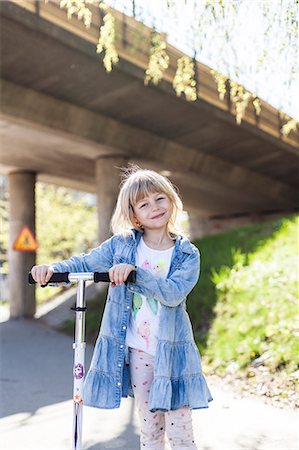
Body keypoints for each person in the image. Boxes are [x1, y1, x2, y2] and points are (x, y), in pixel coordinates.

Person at [31, 166, 213, 450]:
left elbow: (174, 293)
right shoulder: (123, 246)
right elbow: (84, 264)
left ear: (171, 200)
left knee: (180, 433)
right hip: (139, 352)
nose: (154, 207)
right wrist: (52, 269)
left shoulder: (186, 253)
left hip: (175, 355)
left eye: (159, 199)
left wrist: (135, 274)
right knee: (150, 430)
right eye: (144, 204)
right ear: (133, 214)